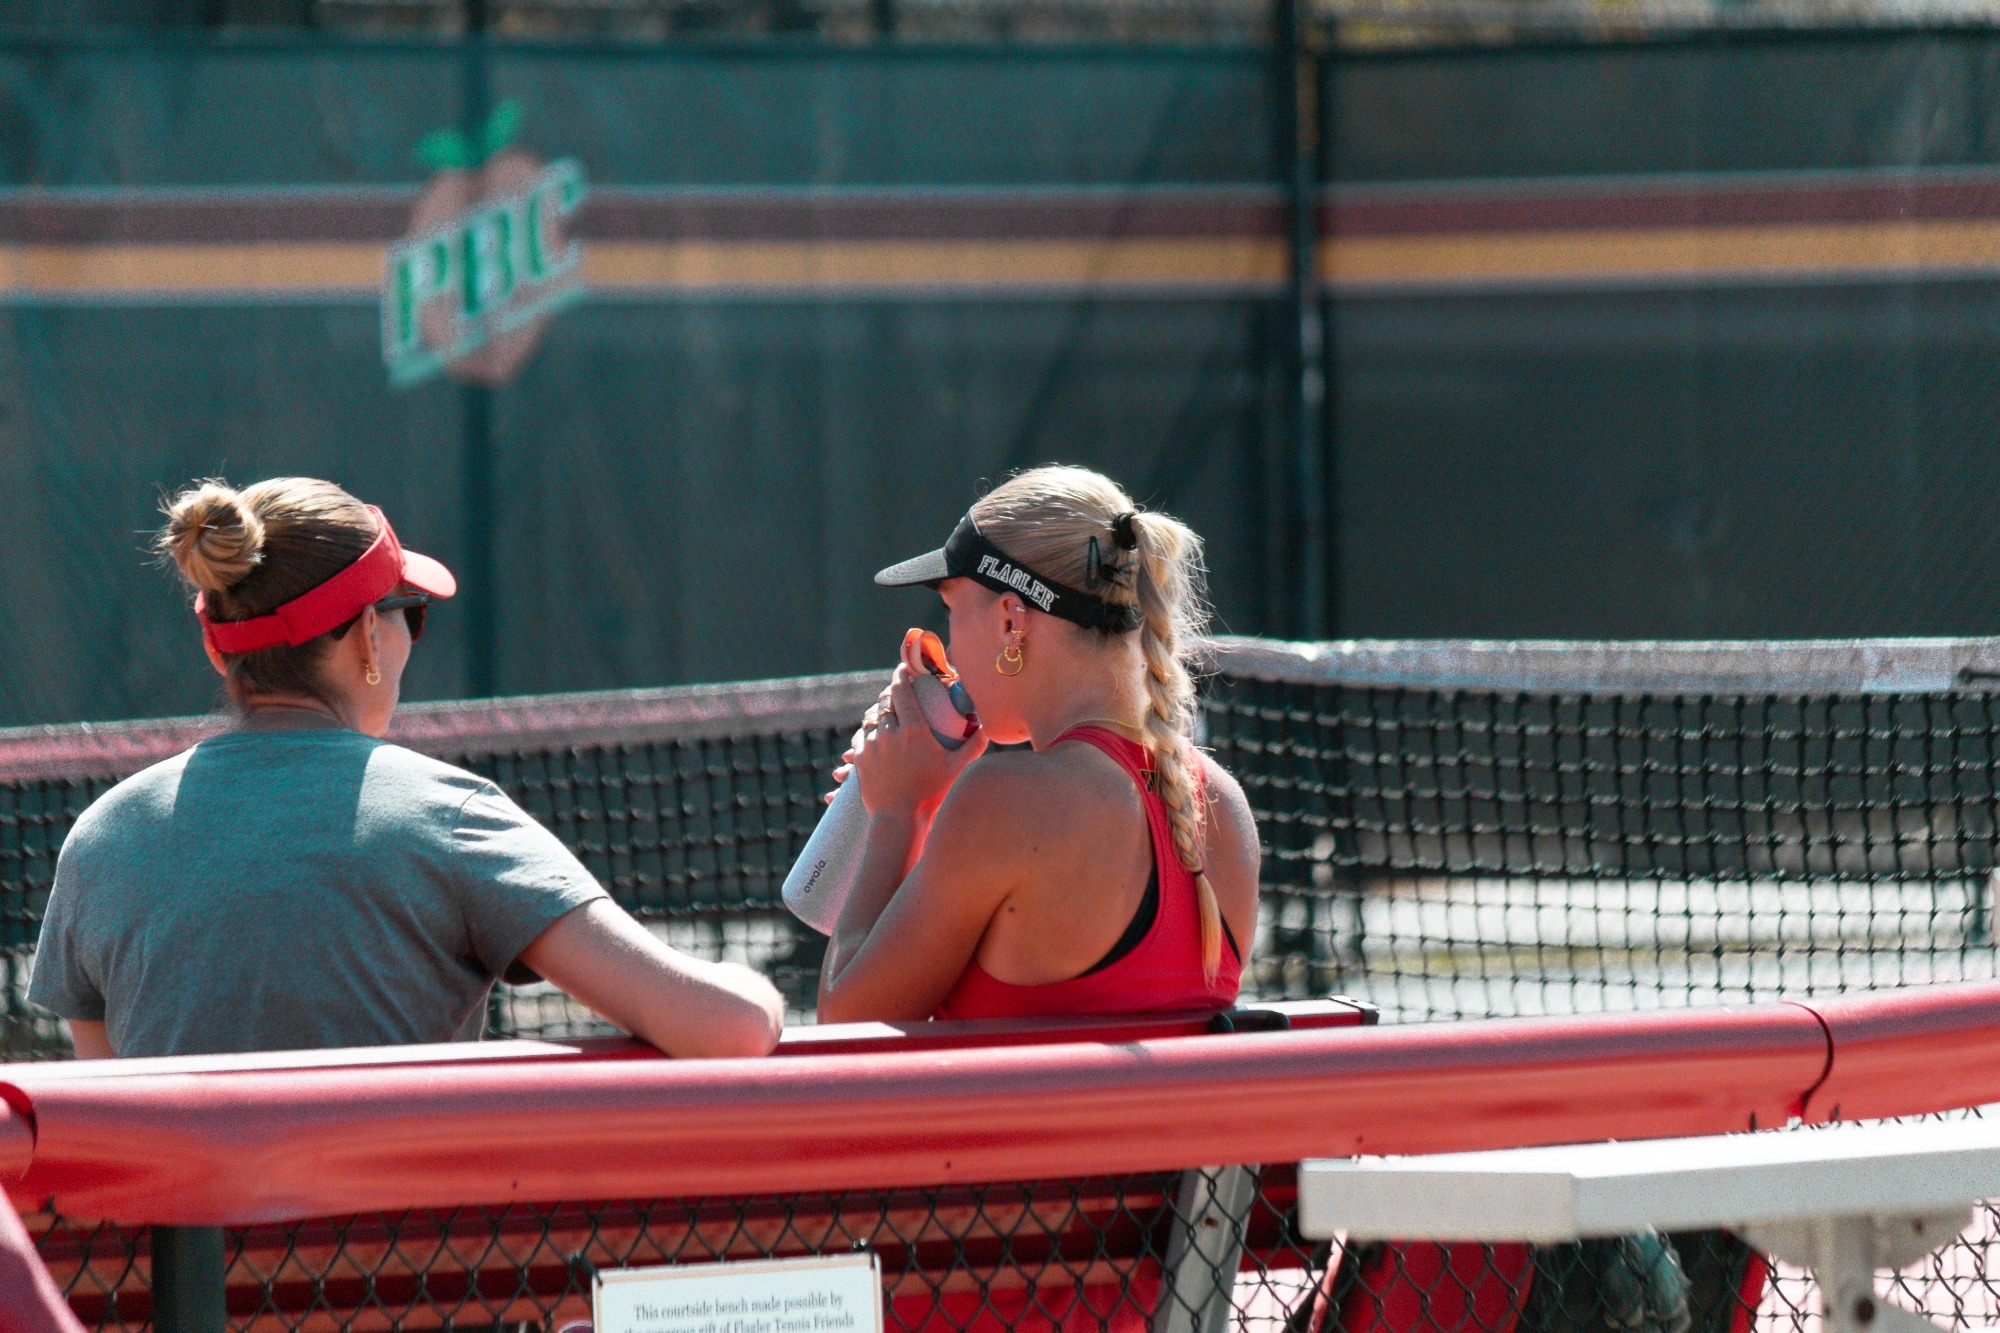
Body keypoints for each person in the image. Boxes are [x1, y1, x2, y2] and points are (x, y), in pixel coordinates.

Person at [29, 477, 782, 1061]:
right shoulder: (451, 815)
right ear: (364, 636)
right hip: (403, 1262)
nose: (409, 635)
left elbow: (111, 1104)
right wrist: (758, 989)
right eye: (407, 611)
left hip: (183, 1264)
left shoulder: (101, 839)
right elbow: (730, 1027)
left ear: (216, 646)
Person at [815, 465, 1260, 1024]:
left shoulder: (1003, 801)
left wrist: (898, 813)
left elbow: (847, 1030)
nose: (946, 641)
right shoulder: (1225, 804)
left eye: (951, 610)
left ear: (1010, 621)